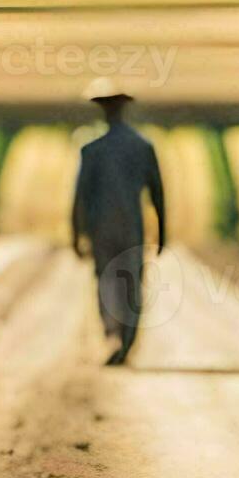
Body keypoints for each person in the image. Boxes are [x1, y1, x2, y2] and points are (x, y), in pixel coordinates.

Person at [71, 76, 167, 366]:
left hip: (101, 229)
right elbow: (158, 194)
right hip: (131, 228)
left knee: (108, 283)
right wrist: (163, 231)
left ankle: (115, 337)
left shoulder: (92, 150)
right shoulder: (142, 146)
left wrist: (76, 232)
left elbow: (79, 198)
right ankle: (124, 341)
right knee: (130, 283)